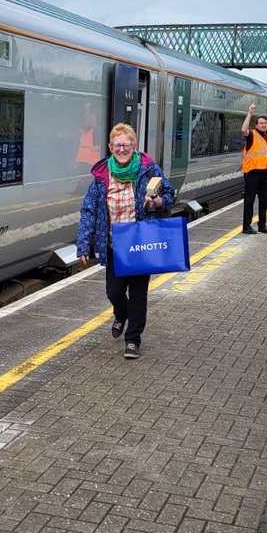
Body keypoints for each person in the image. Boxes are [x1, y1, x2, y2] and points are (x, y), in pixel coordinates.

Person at [77, 122, 174, 359]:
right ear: (110, 147)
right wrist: (83, 243)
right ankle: (120, 313)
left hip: (141, 243)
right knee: (115, 292)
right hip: (114, 246)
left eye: (126, 144)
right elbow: (89, 210)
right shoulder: (102, 176)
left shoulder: (149, 170)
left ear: (134, 146)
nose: (122, 149)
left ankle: (133, 340)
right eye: (117, 145)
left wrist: (158, 202)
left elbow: (170, 194)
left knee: (139, 294)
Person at [241, 106, 267, 234]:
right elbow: (243, 130)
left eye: (265, 123)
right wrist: (249, 113)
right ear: (256, 125)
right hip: (252, 173)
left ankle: (262, 225)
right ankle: (246, 226)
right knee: (249, 200)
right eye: (261, 123)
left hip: (265, 173)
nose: (264, 125)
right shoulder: (252, 135)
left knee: (264, 201)